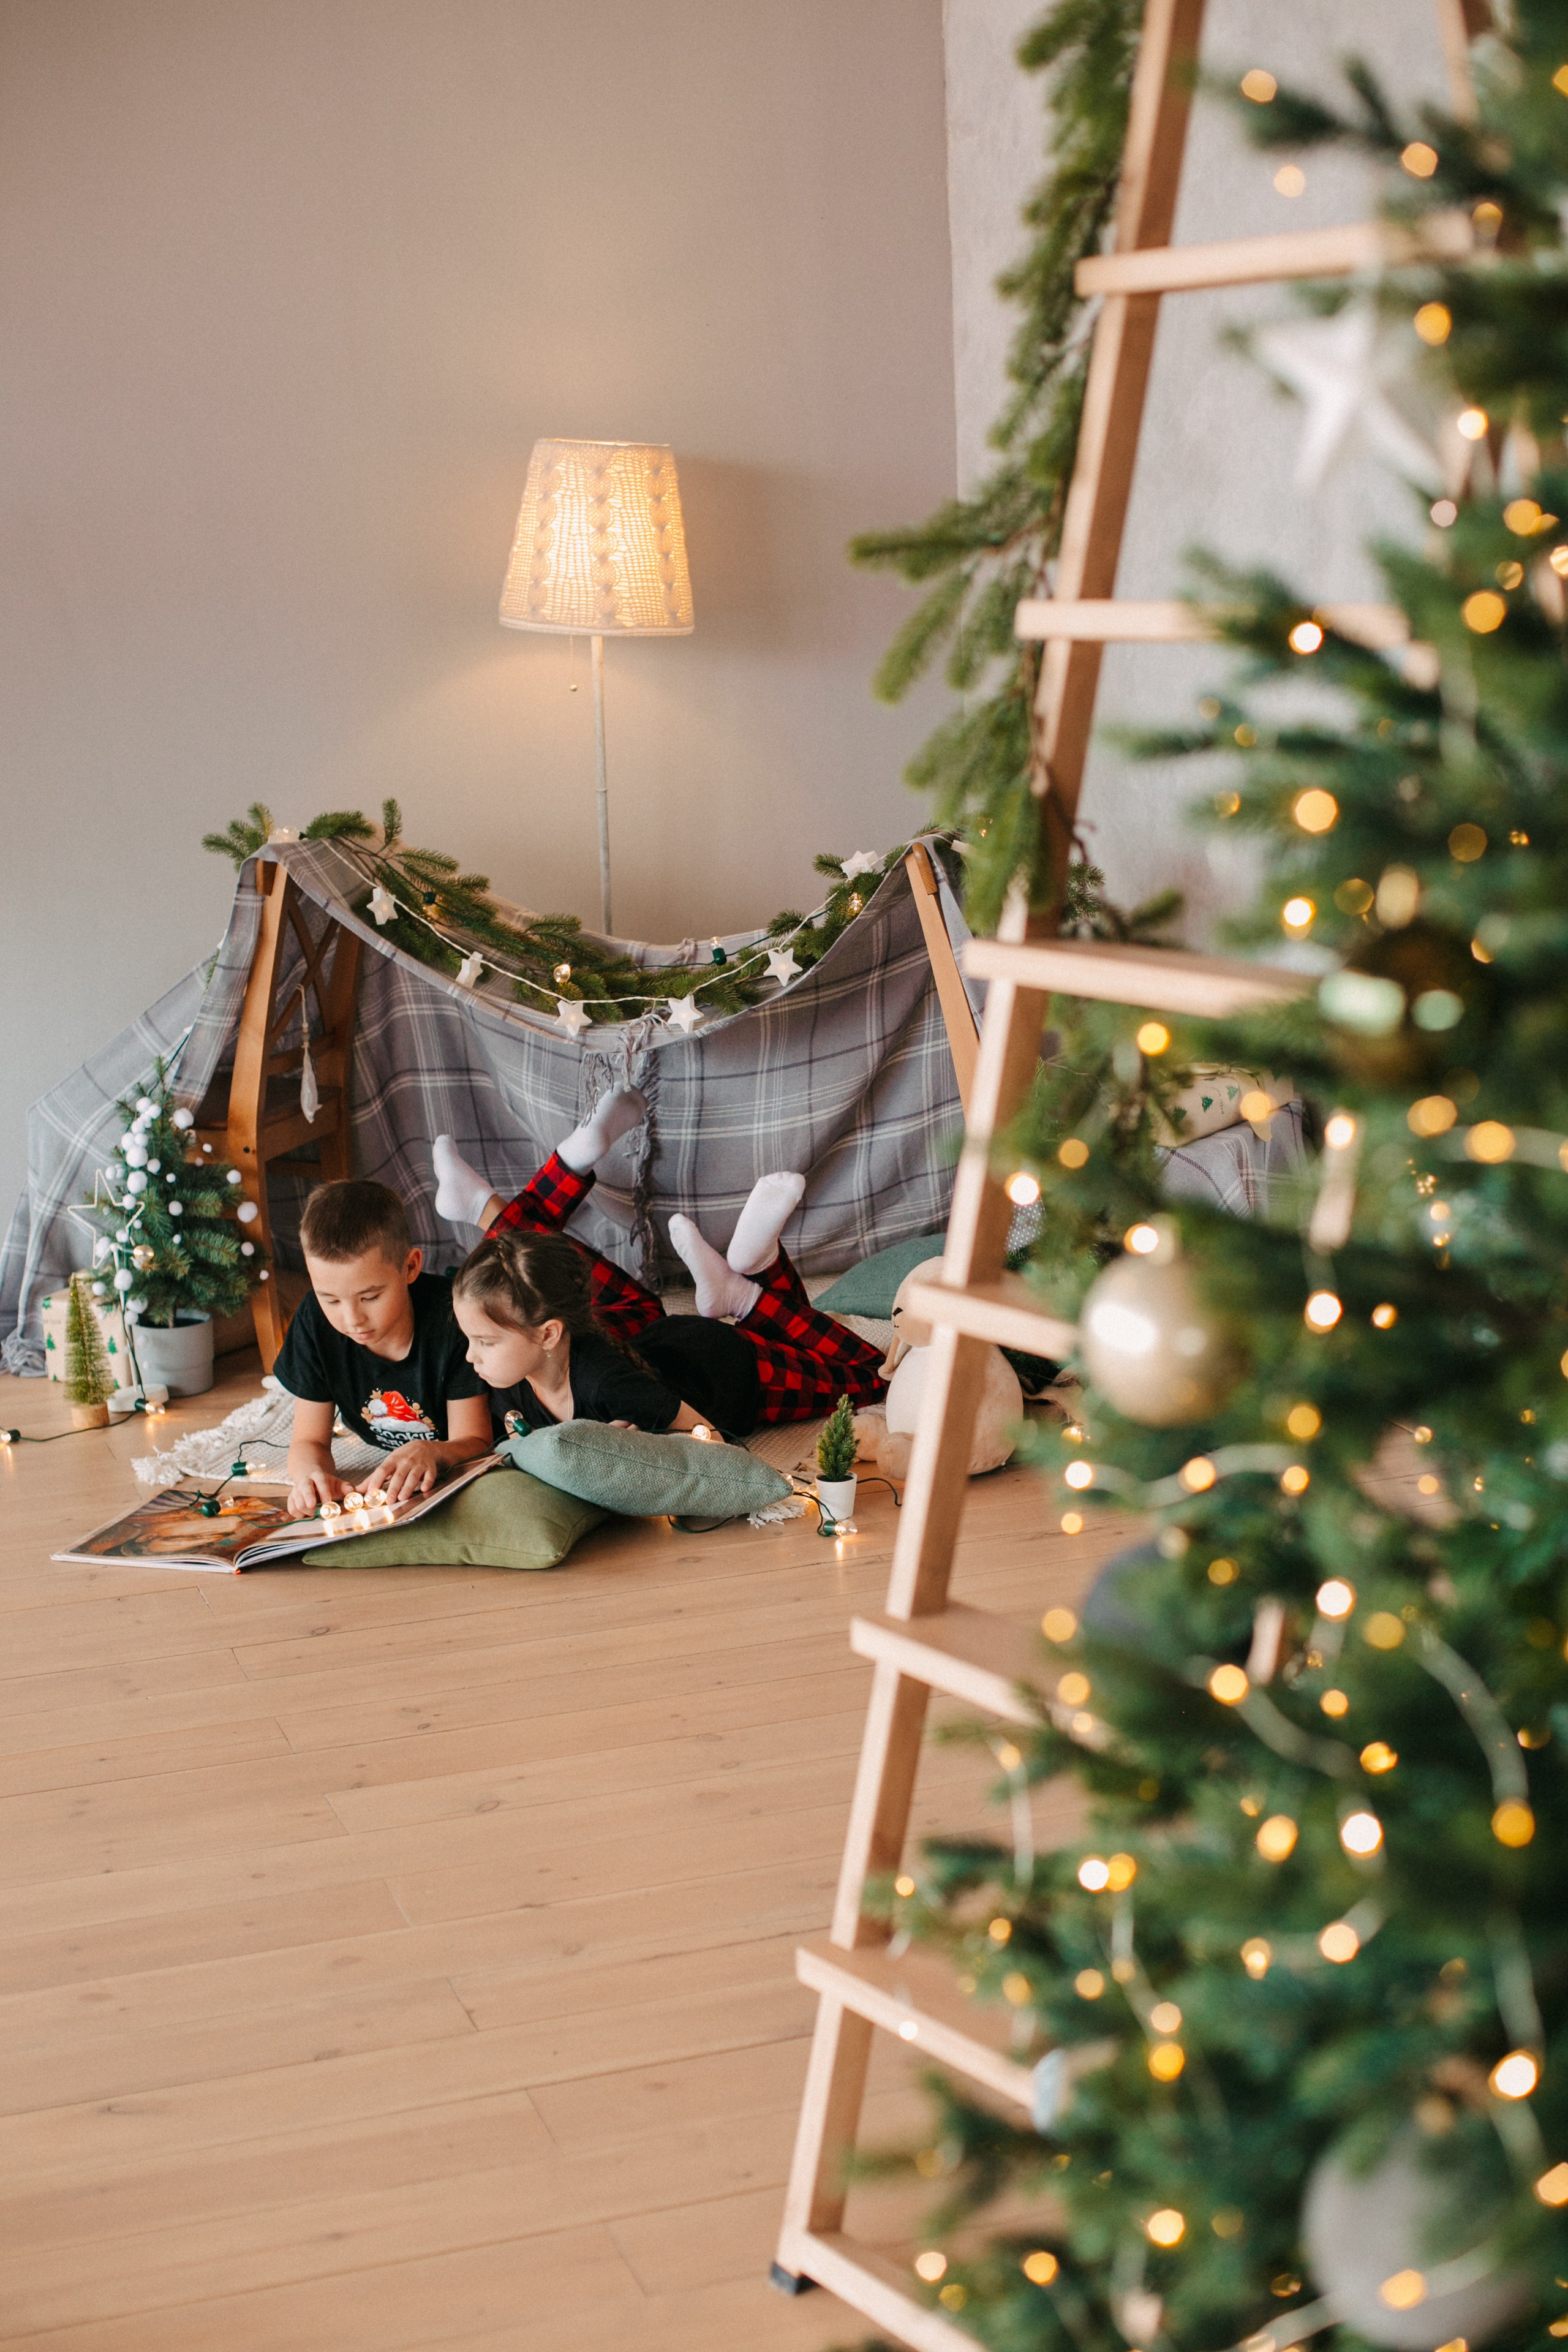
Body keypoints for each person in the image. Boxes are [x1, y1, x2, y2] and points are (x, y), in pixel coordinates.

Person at [432, 1090, 887, 1438]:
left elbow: (711, 1445)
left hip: (733, 1370)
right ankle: (755, 1267)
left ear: (549, 1334)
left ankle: (746, 1287)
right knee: (530, 1275)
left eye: (484, 1342)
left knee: (876, 1374)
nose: (469, 1356)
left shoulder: (608, 1383)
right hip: (660, 1340)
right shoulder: (514, 1377)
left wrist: (648, 1448)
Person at [276, 1178, 494, 1518]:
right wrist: (312, 1477)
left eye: (370, 1297)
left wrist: (431, 1451)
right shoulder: (314, 1321)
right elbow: (309, 1441)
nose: (352, 1320)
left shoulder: (455, 1319)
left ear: (410, 1267)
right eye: (330, 1299)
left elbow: (478, 1443)